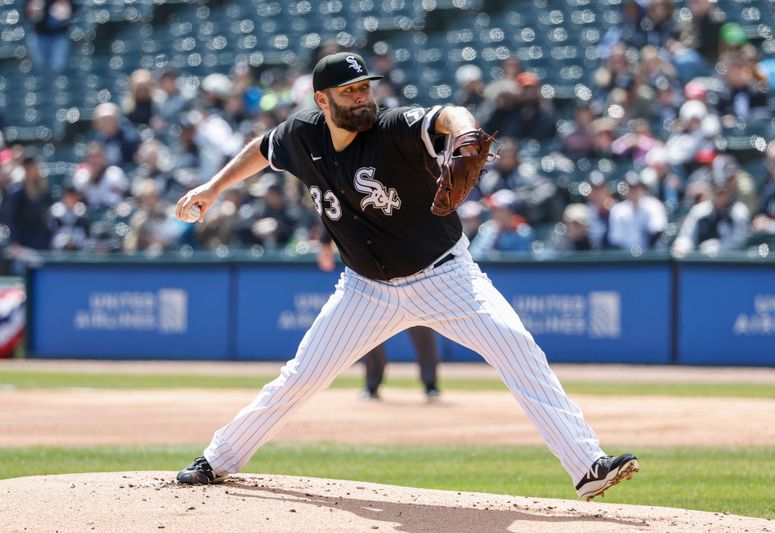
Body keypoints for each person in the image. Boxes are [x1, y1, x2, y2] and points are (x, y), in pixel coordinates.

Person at [174, 51, 638, 500]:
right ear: (322, 101)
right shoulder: (301, 135)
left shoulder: (392, 127)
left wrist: (466, 135)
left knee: (518, 350)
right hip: (365, 290)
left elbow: (448, 115)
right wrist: (213, 188)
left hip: (447, 279)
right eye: (349, 91)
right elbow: (262, 149)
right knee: (300, 378)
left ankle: (587, 465)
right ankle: (218, 459)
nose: (361, 97)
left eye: (364, 88)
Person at [316, 229, 441, 401]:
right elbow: (336, 205)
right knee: (369, 334)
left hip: (411, 271)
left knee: (423, 329)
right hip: (372, 273)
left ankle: (430, 384)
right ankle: (372, 385)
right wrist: (325, 243)